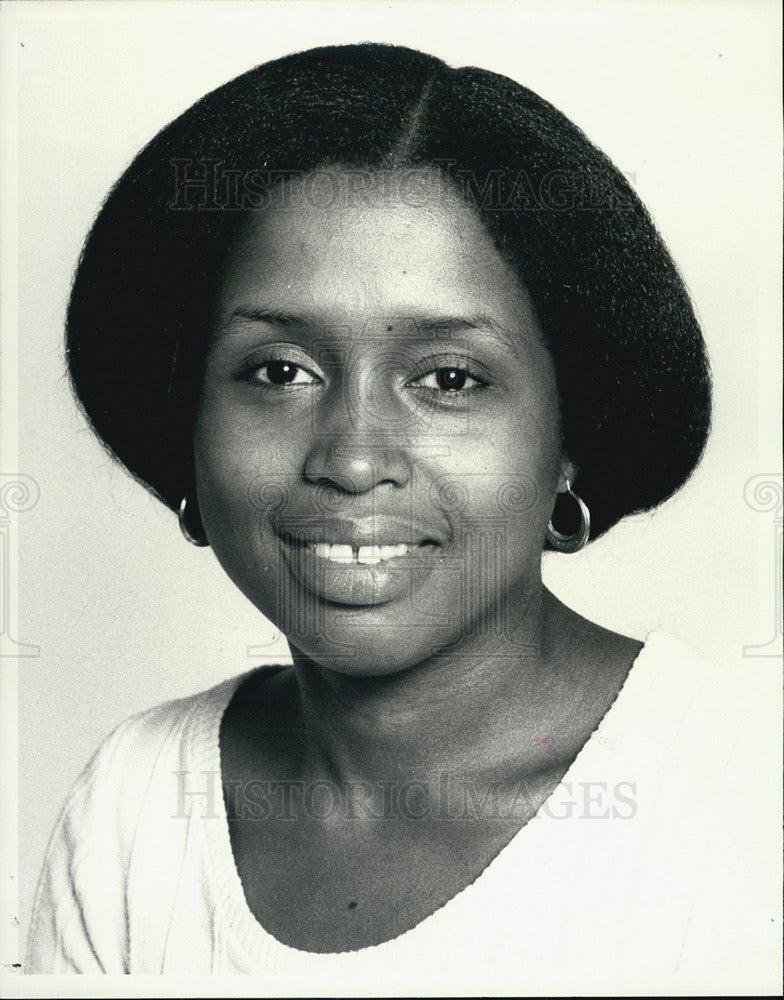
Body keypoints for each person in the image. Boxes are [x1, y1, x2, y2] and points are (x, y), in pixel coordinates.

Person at [25, 42, 778, 990]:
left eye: (449, 379)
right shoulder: (135, 806)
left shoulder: (752, 801)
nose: (351, 458)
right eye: (279, 371)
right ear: (187, 426)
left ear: (570, 439)